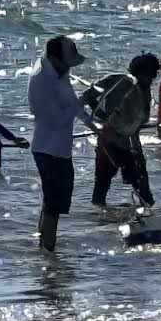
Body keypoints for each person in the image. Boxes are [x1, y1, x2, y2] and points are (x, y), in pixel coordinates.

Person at [27, 35, 97, 253]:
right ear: (53, 57)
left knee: (52, 204)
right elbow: (56, 120)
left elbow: (71, 104)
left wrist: (94, 125)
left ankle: (45, 249)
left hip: (61, 149)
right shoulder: (41, 81)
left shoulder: (60, 72)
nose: (70, 67)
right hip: (47, 148)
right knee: (53, 206)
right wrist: (83, 101)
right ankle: (49, 253)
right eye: (67, 61)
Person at [80, 52, 160, 208]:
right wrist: (100, 122)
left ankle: (144, 214)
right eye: (151, 74)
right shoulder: (121, 83)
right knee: (104, 185)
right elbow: (93, 104)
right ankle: (99, 219)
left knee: (142, 187)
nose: (153, 78)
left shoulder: (144, 87)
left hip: (131, 141)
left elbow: (140, 119)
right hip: (110, 141)